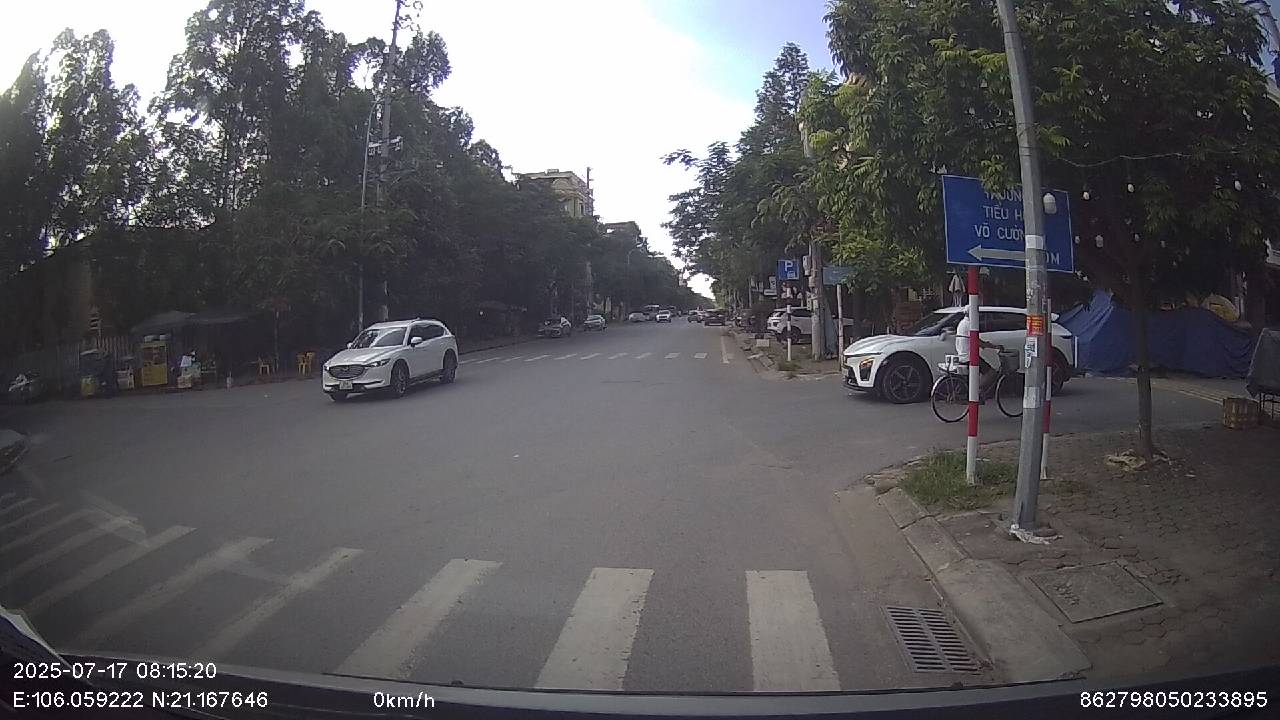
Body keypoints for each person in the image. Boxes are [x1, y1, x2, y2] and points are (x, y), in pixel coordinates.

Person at [954, 315, 1004, 397]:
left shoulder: (962, 323)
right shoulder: (970, 324)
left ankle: (975, 391)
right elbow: (976, 341)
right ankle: (975, 391)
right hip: (969, 356)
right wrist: (993, 346)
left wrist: (985, 344)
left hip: (962, 354)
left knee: (976, 374)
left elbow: (973, 339)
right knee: (991, 373)